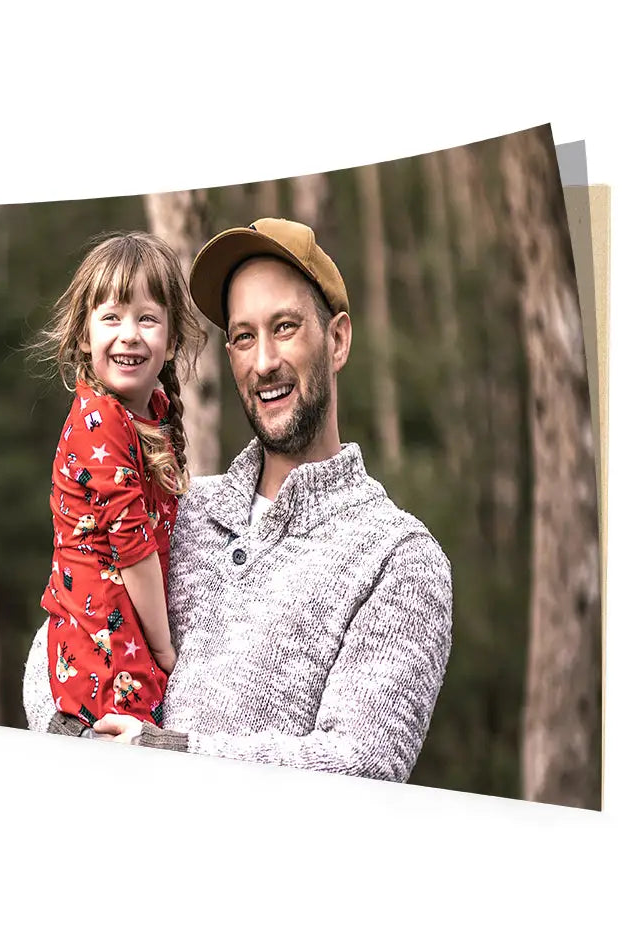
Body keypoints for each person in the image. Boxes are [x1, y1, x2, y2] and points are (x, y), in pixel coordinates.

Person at [23, 218, 453, 782]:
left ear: (339, 340)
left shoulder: (397, 558)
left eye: (286, 327)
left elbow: (363, 767)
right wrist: (75, 735)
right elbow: (51, 651)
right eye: (244, 336)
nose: (264, 361)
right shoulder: (182, 508)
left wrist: (166, 751)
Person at [29, 231, 205, 736]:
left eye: (146, 318)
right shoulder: (99, 421)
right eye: (111, 317)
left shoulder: (152, 413)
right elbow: (133, 550)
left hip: (125, 637)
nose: (129, 333)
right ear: (85, 335)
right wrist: (166, 648)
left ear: (171, 341)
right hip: (103, 655)